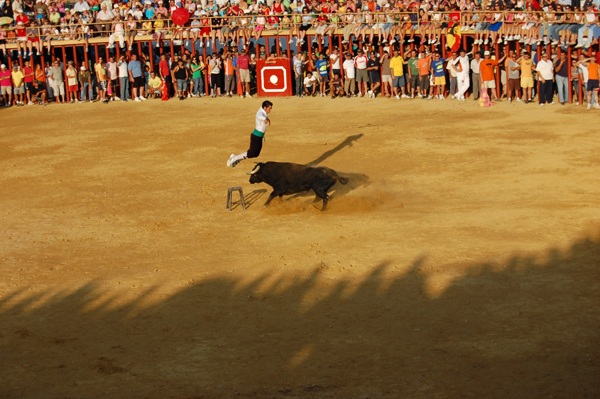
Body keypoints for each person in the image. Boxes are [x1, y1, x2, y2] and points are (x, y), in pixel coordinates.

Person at [227, 100, 273, 169]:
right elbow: (258, 115)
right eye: (269, 108)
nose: (270, 110)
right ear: (264, 108)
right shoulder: (261, 113)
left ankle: (236, 159)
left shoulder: (262, 110)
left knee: (255, 154)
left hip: (258, 136)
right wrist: (264, 118)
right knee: (252, 153)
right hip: (256, 136)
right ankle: (234, 158)